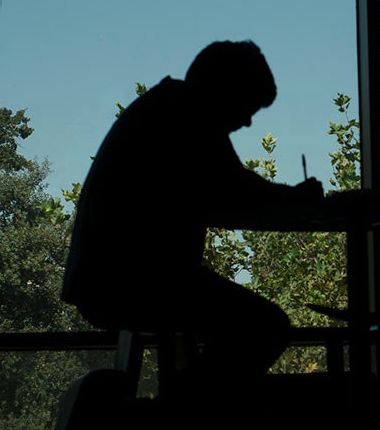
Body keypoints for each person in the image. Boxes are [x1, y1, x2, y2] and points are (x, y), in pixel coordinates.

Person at [61, 40, 324, 409]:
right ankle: (190, 410)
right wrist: (296, 198)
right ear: (225, 88)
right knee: (266, 327)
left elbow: (223, 190)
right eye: (248, 104)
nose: (248, 120)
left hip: (110, 277)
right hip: (139, 279)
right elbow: (234, 190)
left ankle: (192, 402)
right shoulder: (188, 115)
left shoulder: (167, 108)